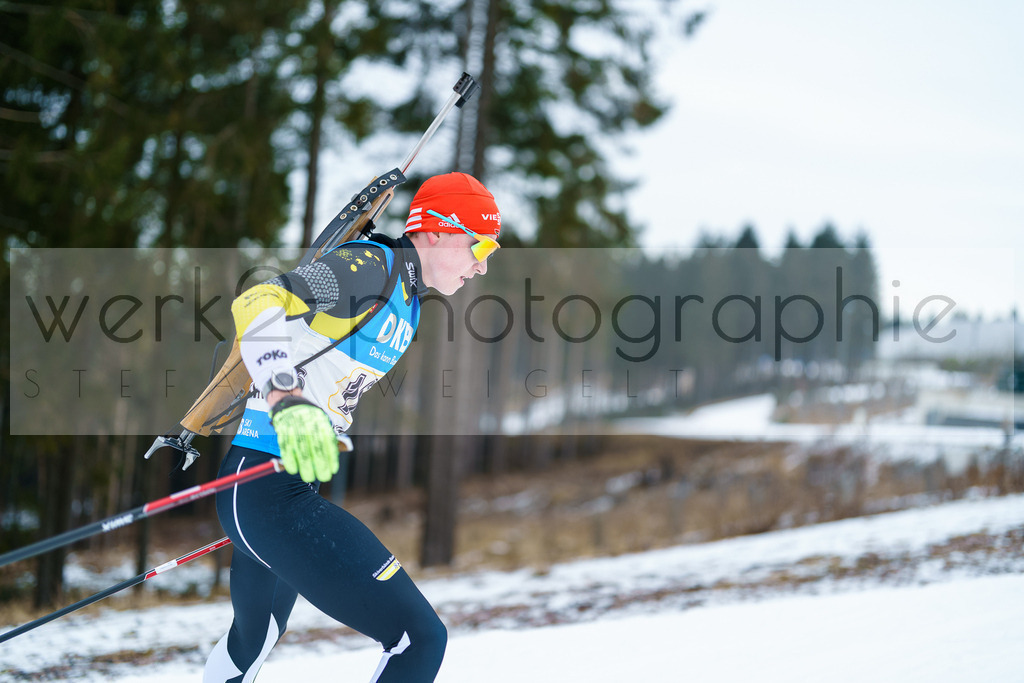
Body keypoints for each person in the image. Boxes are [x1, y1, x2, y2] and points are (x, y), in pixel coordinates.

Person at [203, 172, 501, 682]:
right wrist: (284, 398)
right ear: (436, 230)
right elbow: (256, 300)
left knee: (252, 643)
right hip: (268, 490)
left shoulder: (407, 300)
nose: (482, 264)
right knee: (420, 638)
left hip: (272, 491)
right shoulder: (369, 268)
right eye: (480, 244)